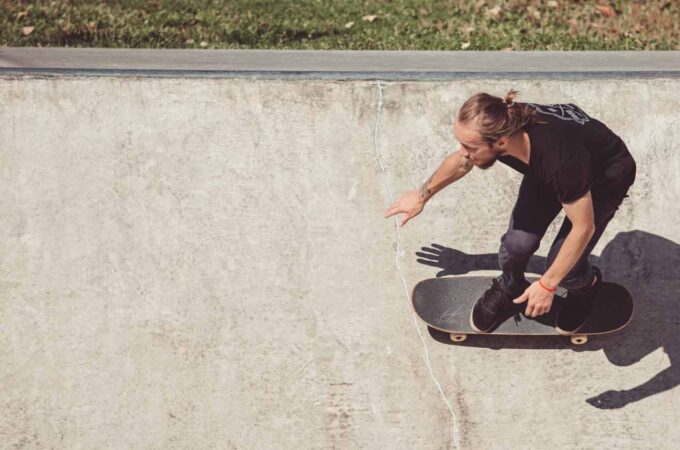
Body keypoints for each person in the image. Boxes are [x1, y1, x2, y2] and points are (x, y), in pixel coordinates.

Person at [384, 90, 636, 335]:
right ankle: (510, 286)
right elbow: (462, 163)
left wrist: (548, 284)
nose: (463, 151)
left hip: (605, 177)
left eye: (469, 146)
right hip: (551, 170)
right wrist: (421, 196)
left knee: (566, 269)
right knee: (516, 245)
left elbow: (583, 227)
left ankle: (586, 288)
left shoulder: (559, 159)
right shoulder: (502, 123)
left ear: (502, 142)